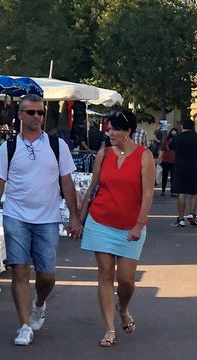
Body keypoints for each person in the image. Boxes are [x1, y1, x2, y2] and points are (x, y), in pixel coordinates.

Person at [0, 94, 82, 346]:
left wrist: (74, 216)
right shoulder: (9, 148)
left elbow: (67, 182)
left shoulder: (56, 145)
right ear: (20, 115)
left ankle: (39, 302)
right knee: (19, 270)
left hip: (48, 219)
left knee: (47, 276)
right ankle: (25, 325)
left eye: (40, 112)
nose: (37, 117)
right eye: (31, 112)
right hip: (16, 216)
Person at [80, 109, 155, 347]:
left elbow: (148, 194)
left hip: (130, 225)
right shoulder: (104, 154)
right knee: (105, 275)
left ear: (128, 131)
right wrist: (78, 217)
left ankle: (123, 308)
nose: (109, 133)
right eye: (109, 128)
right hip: (100, 220)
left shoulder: (144, 156)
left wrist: (139, 224)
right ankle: (109, 329)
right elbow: (93, 186)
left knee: (126, 279)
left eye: (115, 129)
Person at [169, 119, 197, 227]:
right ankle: (192, 213)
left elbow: (170, 147)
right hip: (193, 167)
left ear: (182, 127)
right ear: (192, 127)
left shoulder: (177, 138)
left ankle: (181, 219)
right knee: (194, 191)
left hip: (179, 167)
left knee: (181, 192)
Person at [158, 128, 177, 197]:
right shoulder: (166, 140)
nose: (174, 133)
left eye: (175, 132)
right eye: (172, 131)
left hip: (174, 160)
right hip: (165, 160)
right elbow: (162, 150)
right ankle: (163, 190)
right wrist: (159, 159)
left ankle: (173, 191)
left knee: (173, 177)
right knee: (164, 176)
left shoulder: (177, 140)